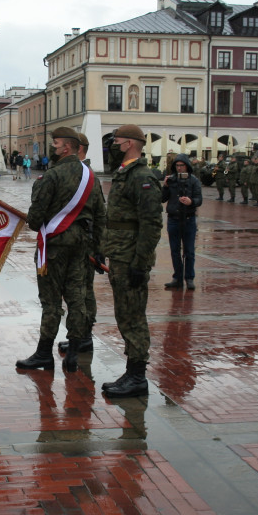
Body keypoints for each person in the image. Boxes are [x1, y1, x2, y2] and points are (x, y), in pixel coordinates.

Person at [16, 127, 103, 374]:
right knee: (77, 299)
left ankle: (44, 353)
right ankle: (74, 353)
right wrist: (99, 250)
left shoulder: (51, 176)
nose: (53, 148)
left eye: (55, 145)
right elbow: (101, 216)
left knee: (52, 303)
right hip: (82, 246)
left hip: (54, 248)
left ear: (66, 147)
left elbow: (35, 219)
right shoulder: (91, 177)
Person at [99, 124, 162, 399]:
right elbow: (114, 220)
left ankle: (137, 376)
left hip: (132, 258)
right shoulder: (124, 174)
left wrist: (141, 262)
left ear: (130, 144)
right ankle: (132, 370)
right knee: (124, 314)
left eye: (116, 142)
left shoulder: (142, 177)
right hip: (120, 254)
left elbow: (151, 224)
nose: (113, 146)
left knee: (133, 315)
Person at [58, 134, 106, 356]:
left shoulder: (88, 176)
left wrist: (98, 249)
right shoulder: (73, 172)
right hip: (71, 243)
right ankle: (79, 337)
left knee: (83, 292)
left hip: (84, 244)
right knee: (76, 292)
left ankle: (84, 337)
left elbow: (99, 215)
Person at [161, 154, 203, 291]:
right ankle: (177, 277)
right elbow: (162, 198)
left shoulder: (194, 181)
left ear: (187, 166)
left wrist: (191, 202)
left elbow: (199, 199)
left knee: (189, 251)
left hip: (188, 219)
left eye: (181, 165)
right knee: (174, 251)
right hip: (173, 219)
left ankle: (189, 278)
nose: (179, 168)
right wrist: (165, 186)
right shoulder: (171, 180)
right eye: (177, 166)